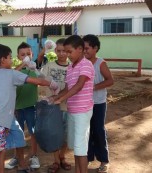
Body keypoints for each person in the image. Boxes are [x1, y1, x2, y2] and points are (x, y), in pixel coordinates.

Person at [0, 43, 58, 173]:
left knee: (0, 152)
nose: (12, 60)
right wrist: (52, 84)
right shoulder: (11, 74)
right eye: (10, 57)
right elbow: (39, 82)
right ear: (3, 59)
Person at [52, 35, 95, 173]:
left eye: (69, 51)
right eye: (65, 51)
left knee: (81, 148)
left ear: (80, 49)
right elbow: (68, 87)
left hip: (82, 111)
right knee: (76, 147)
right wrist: (55, 97)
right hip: (72, 110)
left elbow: (79, 85)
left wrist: (62, 98)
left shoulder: (86, 64)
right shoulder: (70, 67)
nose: (66, 55)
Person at [5, 42, 41, 170]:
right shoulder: (15, 70)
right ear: (18, 56)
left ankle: (34, 156)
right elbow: (10, 77)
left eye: (28, 54)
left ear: (32, 54)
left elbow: (42, 79)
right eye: (23, 54)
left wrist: (34, 68)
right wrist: (23, 64)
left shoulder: (34, 70)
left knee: (33, 132)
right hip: (18, 108)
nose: (26, 56)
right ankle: (17, 157)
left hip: (32, 106)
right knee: (17, 133)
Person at [82, 34, 114, 173]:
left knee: (99, 130)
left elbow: (110, 80)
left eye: (87, 48)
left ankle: (104, 161)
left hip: (98, 103)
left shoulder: (100, 63)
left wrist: (93, 87)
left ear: (95, 48)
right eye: (83, 48)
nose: (85, 51)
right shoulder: (81, 62)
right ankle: (88, 158)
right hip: (84, 104)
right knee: (86, 132)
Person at [40, 38, 71, 173]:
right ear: (55, 51)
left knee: (65, 134)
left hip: (68, 107)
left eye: (64, 51)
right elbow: (40, 78)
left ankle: (62, 157)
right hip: (53, 108)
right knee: (54, 134)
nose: (62, 53)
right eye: (58, 51)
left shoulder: (73, 67)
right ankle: (56, 160)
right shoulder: (49, 66)